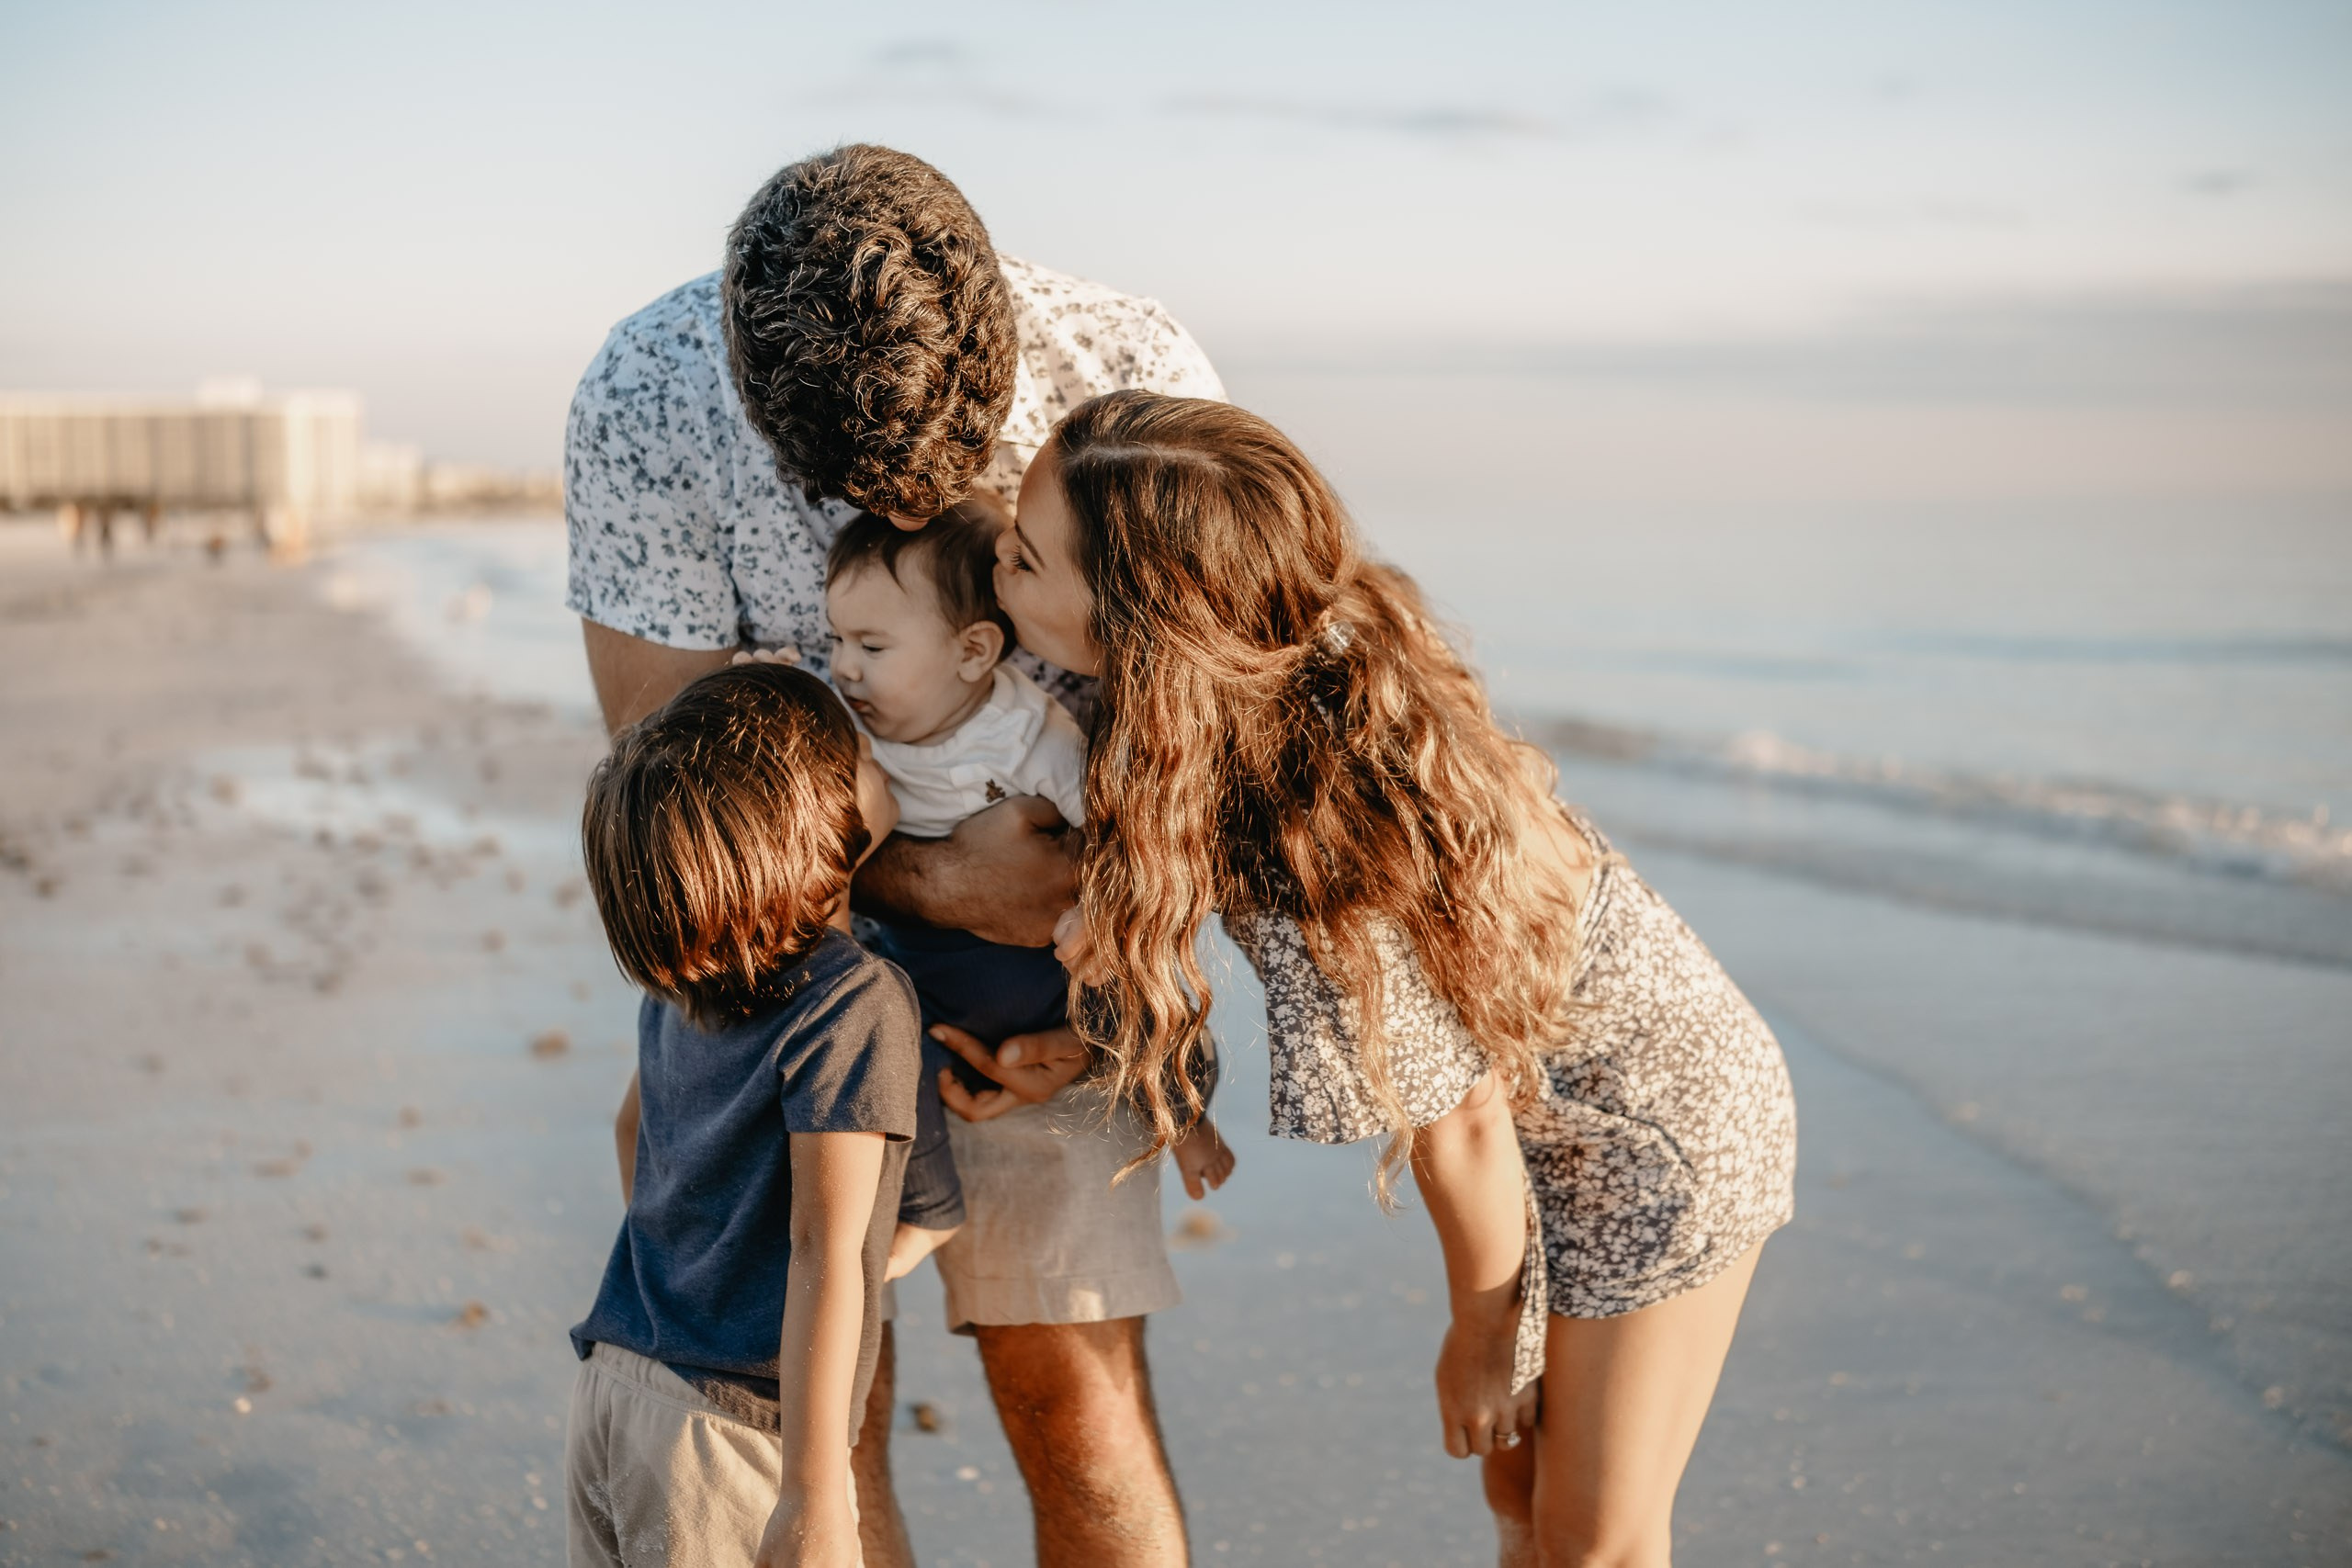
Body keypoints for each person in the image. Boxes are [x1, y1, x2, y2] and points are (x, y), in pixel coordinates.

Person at [1008, 390, 1800, 1568]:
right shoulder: (1255, 662)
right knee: (1521, 1498)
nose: (994, 572)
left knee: (1596, 1540)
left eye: (1023, 559)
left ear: (1142, 621)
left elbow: (1464, 1122)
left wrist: (1479, 1332)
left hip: (1661, 1136)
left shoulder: (1316, 827)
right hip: (1545, 1123)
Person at [565, 143, 1221, 1566]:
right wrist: (931, 881)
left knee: (1076, 1403)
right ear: (748, 391)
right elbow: (676, 792)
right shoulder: (649, 399)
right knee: (814, 1402)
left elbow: (1206, 748)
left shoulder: (1126, 368)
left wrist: (1122, 993)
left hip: (1048, 961)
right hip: (780, 967)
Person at [565, 662, 922, 1568]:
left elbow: (628, 1133)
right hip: (727, 1436)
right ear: (823, 829)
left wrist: (691, 1281)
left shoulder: (685, 977)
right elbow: (824, 1249)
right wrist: (813, 1490)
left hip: (617, 1385)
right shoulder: (855, 1001)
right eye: (864, 763)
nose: (885, 769)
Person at [821, 500, 1237, 1258]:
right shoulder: (852, 726)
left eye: (871, 645)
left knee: (1150, 1005)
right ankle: (929, 1203)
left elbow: (1121, 837)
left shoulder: (1027, 733)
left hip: (1044, 971)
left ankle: (1184, 1113)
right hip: (929, 971)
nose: (844, 665)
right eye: (836, 639)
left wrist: (1097, 917)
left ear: (974, 651)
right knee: (879, 1042)